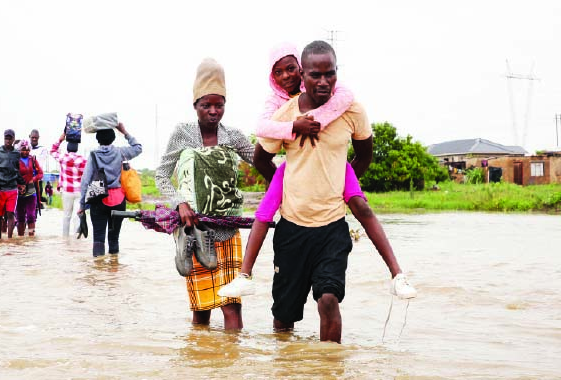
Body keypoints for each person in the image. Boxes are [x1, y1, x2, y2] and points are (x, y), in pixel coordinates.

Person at [219, 43, 416, 300]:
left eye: (291, 69)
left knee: (362, 207)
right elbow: (262, 129)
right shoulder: (276, 103)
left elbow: (344, 98)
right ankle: (245, 276)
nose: (286, 76)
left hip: (335, 167)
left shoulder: (338, 96)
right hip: (293, 172)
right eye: (278, 72)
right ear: (274, 77)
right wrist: (294, 126)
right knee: (264, 213)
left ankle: (397, 275)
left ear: (300, 70)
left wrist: (336, 181)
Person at [252, 41, 375, 342]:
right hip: (292, 225)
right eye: (315, 75)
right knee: (284, 314)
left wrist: (340, 184)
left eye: (329, 74)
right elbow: (260, 152)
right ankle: (287, 367)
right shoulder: (282, 110)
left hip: (332, 226)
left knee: (329, 299)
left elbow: (365, 154)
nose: (323, 81)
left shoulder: (349, 106)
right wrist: (285, 184)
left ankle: (329, 369)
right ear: (304, 75)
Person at [155, 58, 254, 330]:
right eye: (206, 105)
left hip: (228, 229)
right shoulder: (182, 134)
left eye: (218, 105)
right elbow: (162, 175)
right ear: (195, 106)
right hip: (195, 233)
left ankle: (231, 366)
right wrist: (179, 203)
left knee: (232, 303)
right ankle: (201, 363)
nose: (213, 111)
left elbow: (263, 161)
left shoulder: (233, 136)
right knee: (201, 309)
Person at [79, 123, 142, 256]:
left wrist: (82, 205)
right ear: (113, 138)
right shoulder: (121, 152)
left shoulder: (93, 155)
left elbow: (85, 181)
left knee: (98, 239)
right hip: (119, 201)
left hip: (98, 200)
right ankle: (113, 270)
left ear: (98, 139)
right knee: (114, 239)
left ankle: (99, 271)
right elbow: (138, 148)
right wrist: (124, 132)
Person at [0, 129, 24, 239]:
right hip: (0, 189)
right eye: (6, 138)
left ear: (13, 139)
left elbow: (17, 170)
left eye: (10, 138)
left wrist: (23, 184)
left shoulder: (16, 154)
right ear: (4, 139)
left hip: (12, 188)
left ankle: (9, 239)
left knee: (10, 214)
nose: (7, 140)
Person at [50, 132, 87, 237]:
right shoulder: (83, 160)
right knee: (76, 215)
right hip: (79, 192)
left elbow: (52, 151)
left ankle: (65, 238)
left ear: (68, 148)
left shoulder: (63, 158)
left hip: (67, 192)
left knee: (66, 216)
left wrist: (60, 139)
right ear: (77, 149)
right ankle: (76, 239)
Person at [16, 139, 43, 236]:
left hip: (31, 190)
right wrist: (19, 185)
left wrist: (34, 179)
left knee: (31, 215)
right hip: (19, 192)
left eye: (27, 150)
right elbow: (13, 175)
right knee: (20, 217)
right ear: (19, 149)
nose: (26, 152)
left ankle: (31, 237)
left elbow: (40, 173)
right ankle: (21, 238)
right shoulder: (15, 160)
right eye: (23, 149)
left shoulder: (33, 159)